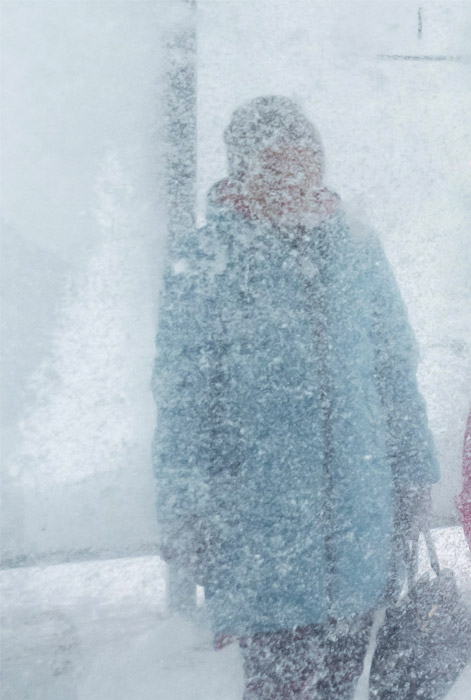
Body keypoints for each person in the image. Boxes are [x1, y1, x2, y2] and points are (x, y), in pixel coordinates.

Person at [151, 96, 438, 700]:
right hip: (261, 536)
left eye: (307, 166)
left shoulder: (357, 247)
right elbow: (182, 399)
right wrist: (184, 506)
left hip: (360, 523)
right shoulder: (207, 262)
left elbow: (394, 371)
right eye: (276, 169)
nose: (295, 184)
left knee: (342, 679)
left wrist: (413, 475)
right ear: (242, 172)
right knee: (280, 685)